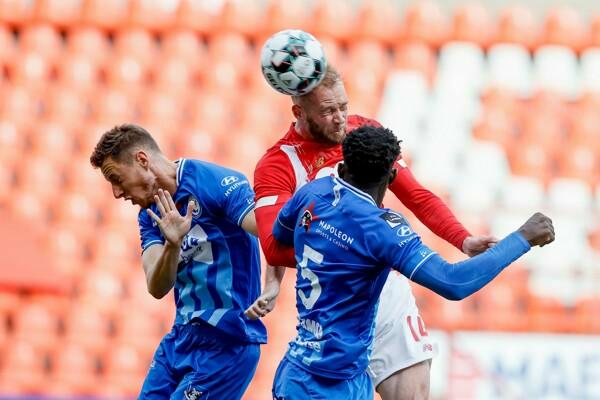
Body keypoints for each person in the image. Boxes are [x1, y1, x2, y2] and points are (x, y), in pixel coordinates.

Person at [248, 66, 497, 399]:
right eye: (327, 111)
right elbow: (274, 247)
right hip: (335, 298)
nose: (339, 118)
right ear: (299, 112)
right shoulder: (278, 165)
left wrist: (462, 238)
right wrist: (348, 252)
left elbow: (417, 195)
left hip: (385, 285)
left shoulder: (365, 136)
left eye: (343, 107)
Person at [268, 125, 554, 399]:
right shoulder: (380, 229)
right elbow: (453, 282)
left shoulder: (311, 193)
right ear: (391, 177)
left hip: (301, 372)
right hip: (332, 383)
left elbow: (280, 235)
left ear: (342, 167)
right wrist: (521, 239)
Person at [89, 124, 266, 399]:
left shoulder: (215, 183)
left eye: (117, 178)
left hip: (228, 341)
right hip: (181, 339)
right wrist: (172, 244)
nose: (116, 193)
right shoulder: (149, 215)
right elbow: (156, 287)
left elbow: (267, 229)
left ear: (142, 160)